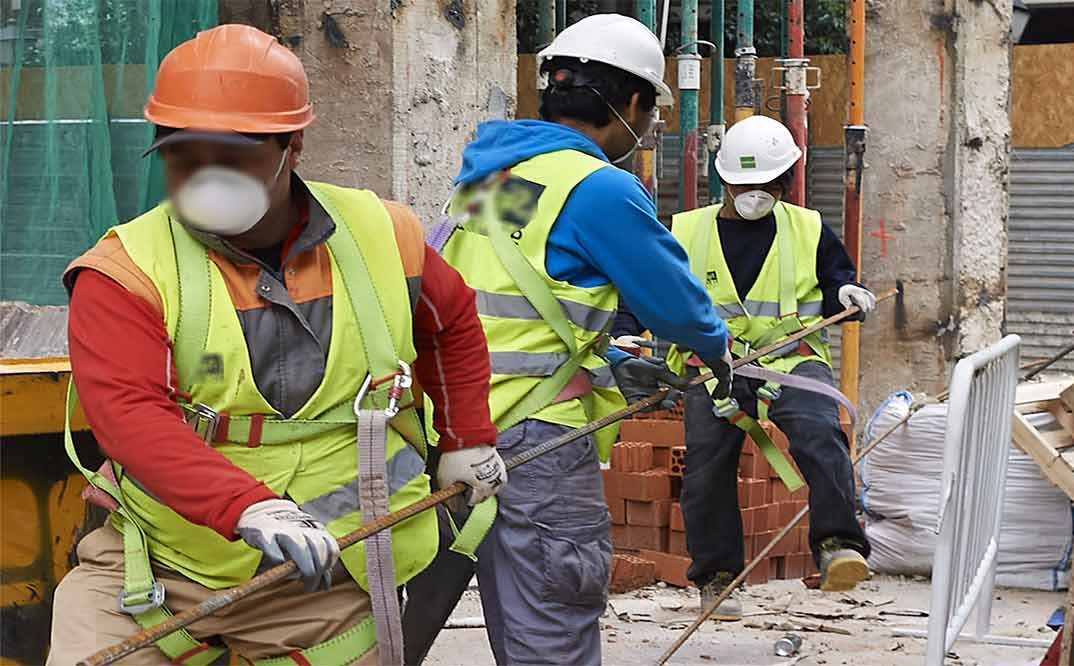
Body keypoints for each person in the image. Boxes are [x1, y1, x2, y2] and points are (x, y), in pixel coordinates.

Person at [48, 24, 505, 665]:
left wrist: (466, 439)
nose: (205, 174)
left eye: (232, 153)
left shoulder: (381, 235)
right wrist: (246, 506)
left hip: (325, 574)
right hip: (158, 565)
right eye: (183, 154)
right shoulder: (124, 270)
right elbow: (129, 415)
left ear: (292, 145)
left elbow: (450, 322)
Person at [436, 13, 733, 665]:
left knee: (497, 618)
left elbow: (516, 292)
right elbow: (678, 310)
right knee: (552, 621)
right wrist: (720, 349)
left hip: (457, 429)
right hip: (536, 439)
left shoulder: (494, 177)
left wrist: (598, 354)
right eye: (650, 109)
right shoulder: (599, 188)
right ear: (630, 103)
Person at [613, 115, 876, 620]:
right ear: (726, 180)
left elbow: (836, 276)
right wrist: (627, 328)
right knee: (708, 466)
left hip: (789, 360)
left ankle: (838, 546)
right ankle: (717, 577)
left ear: (784, 181)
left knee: (821, 430)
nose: (756, 192)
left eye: (768, 183)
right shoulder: (685, 230)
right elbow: (648, 287)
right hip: (714, 366)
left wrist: (846, 289)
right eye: (745, 183)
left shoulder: (808, 227)